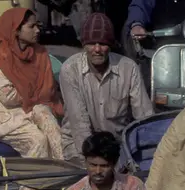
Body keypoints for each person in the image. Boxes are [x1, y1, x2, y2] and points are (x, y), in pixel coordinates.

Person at [0, 8, 64, 190]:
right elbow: (8, 97)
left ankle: (65, 183)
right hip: (2, 117)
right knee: (37, 140)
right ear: (16, 30)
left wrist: (33, 98)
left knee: (51, 125)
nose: (37, 30)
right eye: (31, 26)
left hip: (31, 109)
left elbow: (48, 90)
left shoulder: (40, 53)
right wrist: (34, 96)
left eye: (38, 26)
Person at [59, 13, 153, 166]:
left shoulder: (129, 68)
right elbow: (79, 125)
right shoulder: (70, 69)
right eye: (91, 43)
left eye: (103, 43)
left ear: (110, 45)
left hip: (117, 144)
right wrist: (98, 163)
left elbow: (144, 116)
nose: (97, 49)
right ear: (83, 45)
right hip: (80, 146)